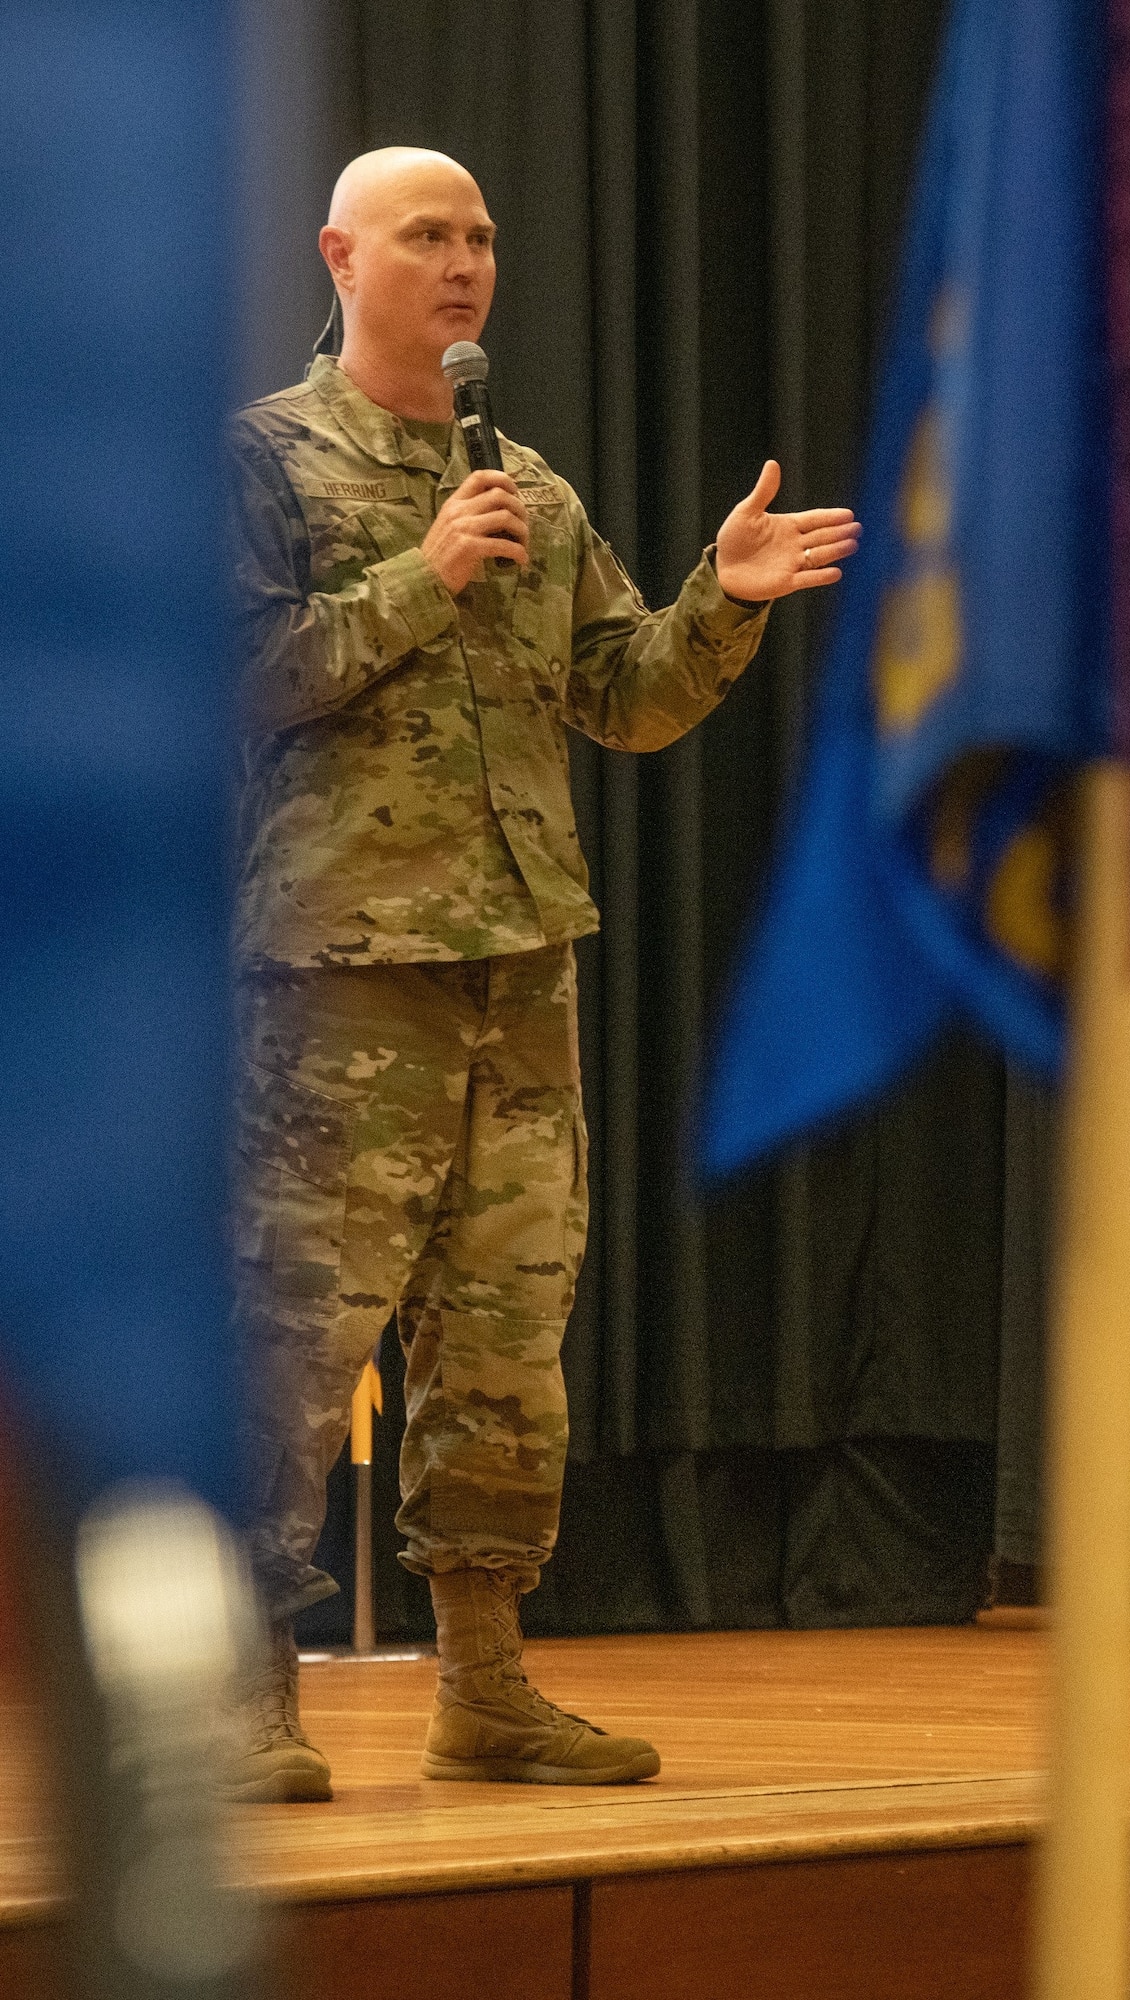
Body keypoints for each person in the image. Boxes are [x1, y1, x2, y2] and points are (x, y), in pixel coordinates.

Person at [227, 146, 859, 1802]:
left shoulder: (537, 489)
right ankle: (242, 1699)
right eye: (428, 235)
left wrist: (718, 606)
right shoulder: (266, 465)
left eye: (484, 236)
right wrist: (417, 582)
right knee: (297, 1338)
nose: (465, 262)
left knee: (506, 1342)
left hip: (525, 971)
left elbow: (622, 698)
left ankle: (486, 1687)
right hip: (342, 969)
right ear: (339, 258)